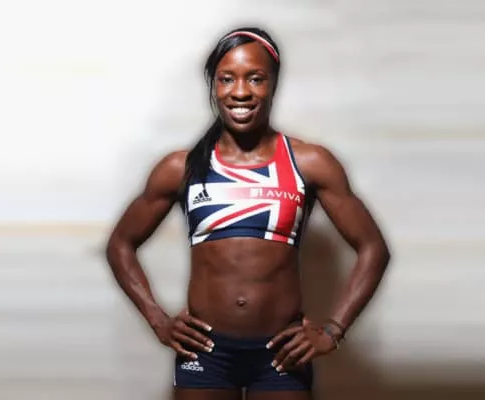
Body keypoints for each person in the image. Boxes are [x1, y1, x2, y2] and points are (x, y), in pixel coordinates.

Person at [105, 27, 391, 400]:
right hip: (205, 352)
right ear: (213, 86)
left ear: (274, 84)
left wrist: (333, 330)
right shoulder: (181, 167)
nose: (240, 92)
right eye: (227, 79)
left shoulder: (310, 162)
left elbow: (373, 248)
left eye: (255, 78)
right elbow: (120, 244)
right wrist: (158, 321)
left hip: (281, 353)